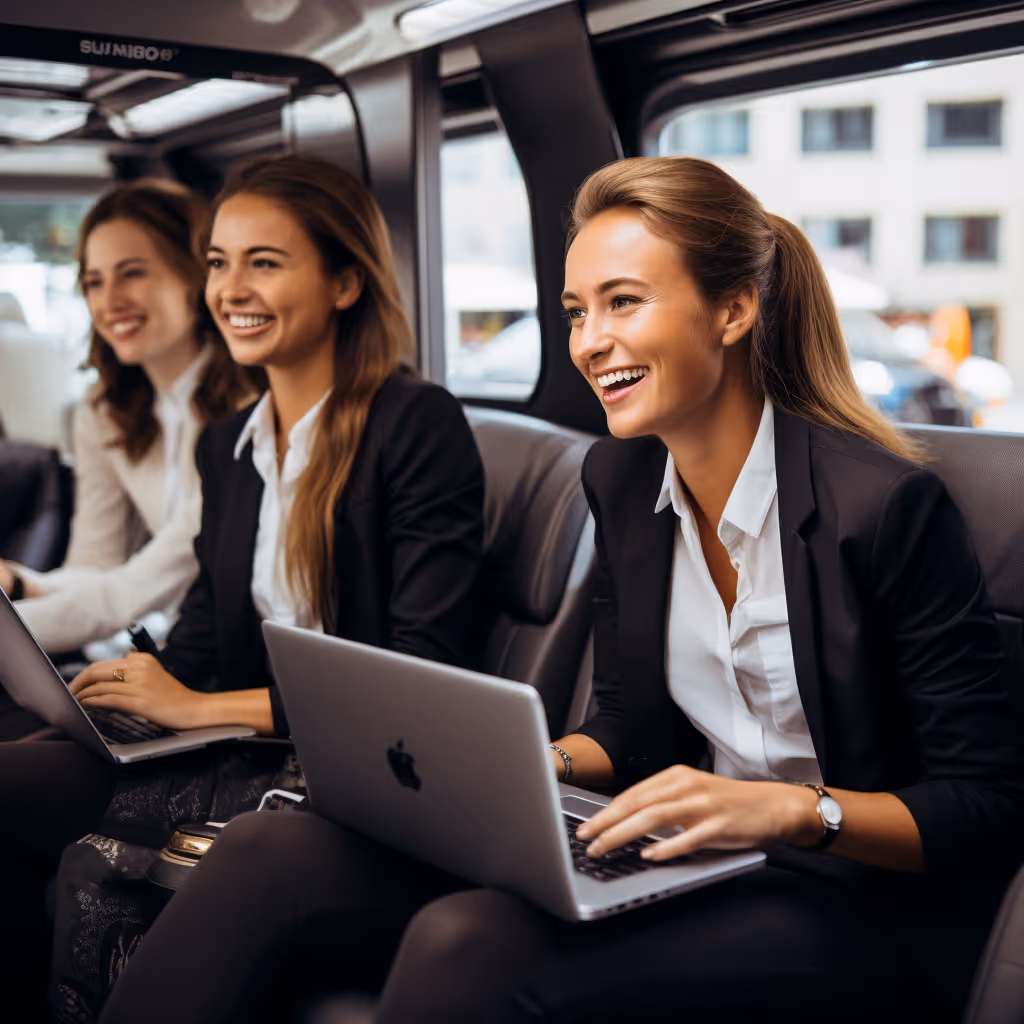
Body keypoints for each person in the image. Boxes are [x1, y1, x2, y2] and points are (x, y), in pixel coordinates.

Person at [99, 157, 1024, 1024]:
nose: (590, 341)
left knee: (469, 942)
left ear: (734, 309)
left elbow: (985, 808)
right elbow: (625, 727)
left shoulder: (887, 508)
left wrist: (793, 809)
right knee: (272, 850)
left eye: (623, 303)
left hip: (843, 896)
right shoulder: (620, 483)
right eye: (577, 311)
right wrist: (521, 768)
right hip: (685, 852)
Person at [0, 154, 484, 1019]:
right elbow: (199, 649)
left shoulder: (416, 424)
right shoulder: (229, 447)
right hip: (242, 752)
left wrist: (193, 706)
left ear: (343, 282)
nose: (231, 287)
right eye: (220, 261)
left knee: (235, 848)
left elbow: (419, 676)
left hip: (362, 781)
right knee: (24, 769)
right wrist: (122, 697)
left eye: (265, 261)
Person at [0, 180, 254, 655]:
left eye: (132, 273)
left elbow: (134, 591)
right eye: (94, 281)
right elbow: (96, 568)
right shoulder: (106, 409)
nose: (109, 300)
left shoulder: (247, 411)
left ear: (195, 275)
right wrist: (14, 581)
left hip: (237, 660)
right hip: (164, 647)